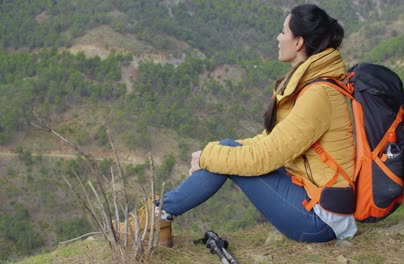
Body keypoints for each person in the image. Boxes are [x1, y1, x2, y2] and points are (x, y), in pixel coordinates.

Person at [120, 3, 357, 246]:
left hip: (321, 219)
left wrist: (208, 157)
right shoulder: (312, 86)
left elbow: (266, 156)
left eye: (283, 32)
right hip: (312, 194)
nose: (278, 37)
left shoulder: (318, 94)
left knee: (225, 158)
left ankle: (157, 218)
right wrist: (215, 152)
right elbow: (270, 139)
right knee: (225, 151)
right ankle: (159, 216)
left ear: (298, 42)